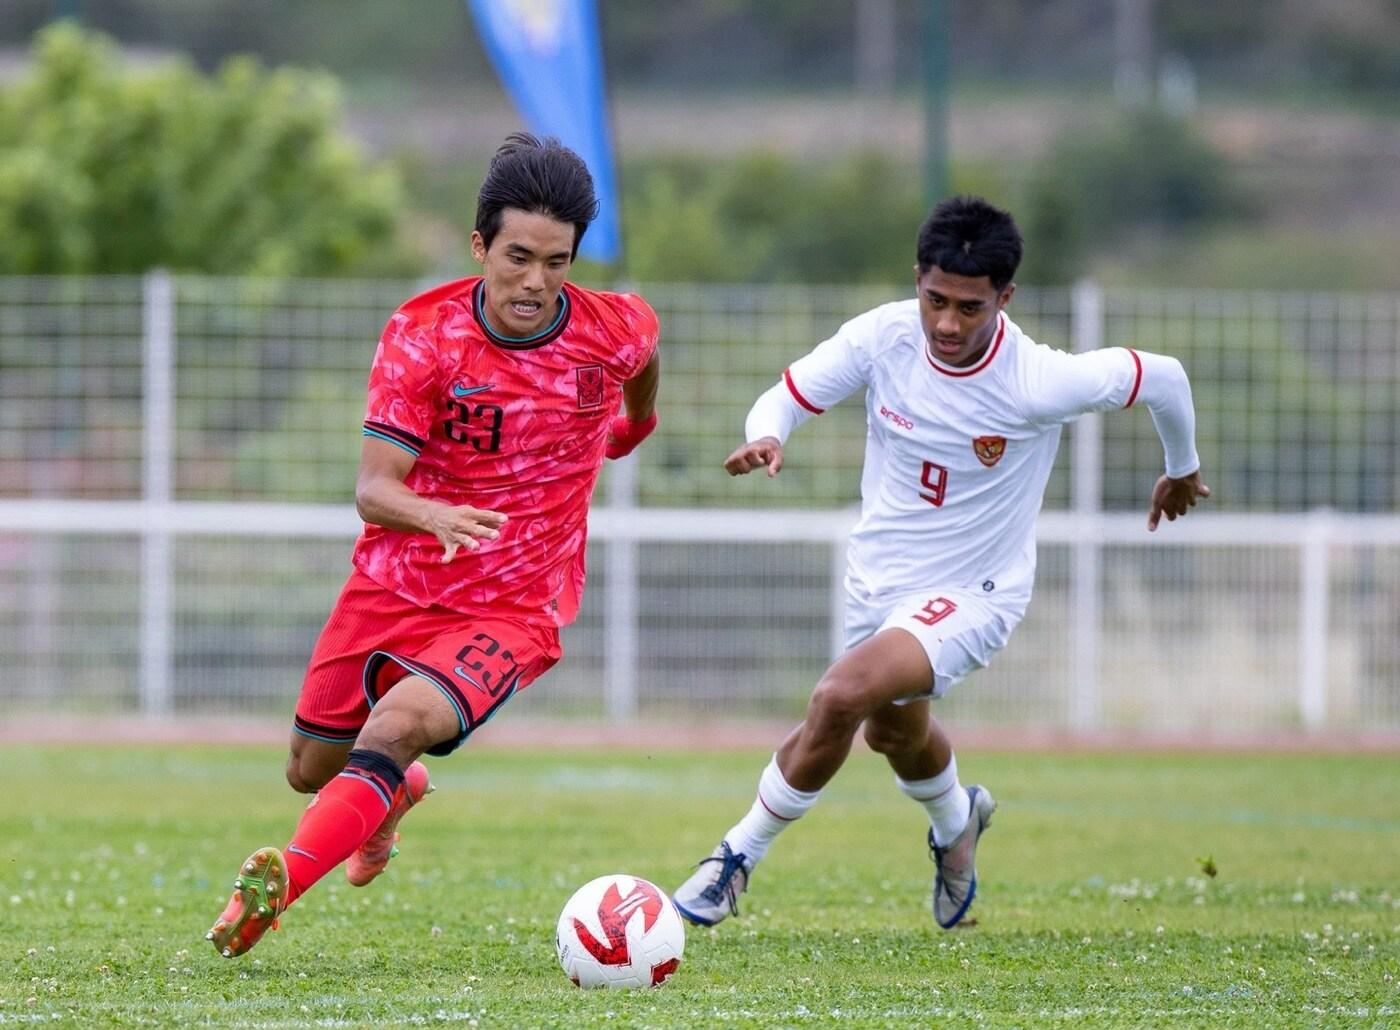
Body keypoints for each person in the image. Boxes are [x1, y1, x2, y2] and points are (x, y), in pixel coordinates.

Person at [672, 196, 1209, 931]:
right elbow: (788, 395)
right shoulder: (884, 337)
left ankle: (733, 861)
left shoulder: (1039, 381)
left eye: (969, 308)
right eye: (935, 301)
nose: (948, 324)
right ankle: (958, 824)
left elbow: (1167, 376)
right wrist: (768, 435)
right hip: (879, 584)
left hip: (975, 593)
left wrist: (1182, 467)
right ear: (916, 280)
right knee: (892, 734)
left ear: (1005, 299)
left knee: (839, 697)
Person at [207, 133, 662, 957]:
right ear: (480, 244)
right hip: (395, 579)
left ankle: (282, 887)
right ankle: (394, 793)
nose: (535, 281)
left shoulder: (610, 328)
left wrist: (637, 424)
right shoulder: (424, 337)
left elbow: (644, 351)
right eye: (518, 256)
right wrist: (437, 516)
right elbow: (373, 490)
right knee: (311, 769)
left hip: (517, 605)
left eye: (557, 262)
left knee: (396, 724)